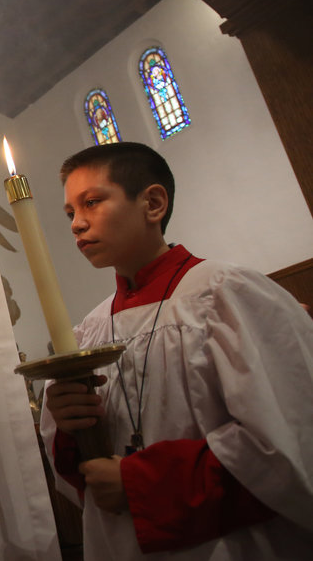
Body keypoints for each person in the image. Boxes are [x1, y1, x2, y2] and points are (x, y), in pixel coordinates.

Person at [40, 142, 313, 559]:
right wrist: (70, 426)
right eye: (70, 213)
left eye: (92, 202)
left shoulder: (226, 293)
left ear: (152, 203)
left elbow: (289, 439)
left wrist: (141, 482)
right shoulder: (89, 332)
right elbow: (81, 475)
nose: (77, 224)